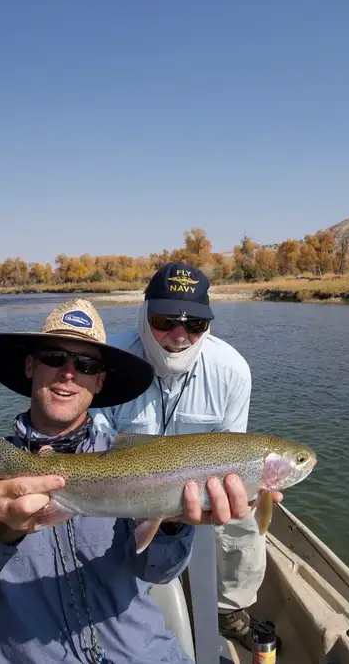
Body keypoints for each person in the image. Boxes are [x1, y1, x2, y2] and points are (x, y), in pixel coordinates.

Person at [0, 298, 255, 664]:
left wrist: (170, 523)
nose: (68, 373)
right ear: (30, 366)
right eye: (55, 357)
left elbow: (158, 572)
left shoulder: (135, 460)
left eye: (86, 364)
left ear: (100, 381)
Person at [91, 262, 276, 651]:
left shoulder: (232, 371)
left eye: (195, 324)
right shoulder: (109, 360)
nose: (180, 335)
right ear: (144, 313)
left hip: (197, 491)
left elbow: (233, 449)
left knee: (244, 516)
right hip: (117, 483)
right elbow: (93, 445)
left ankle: (229, 607)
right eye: (165, 320)